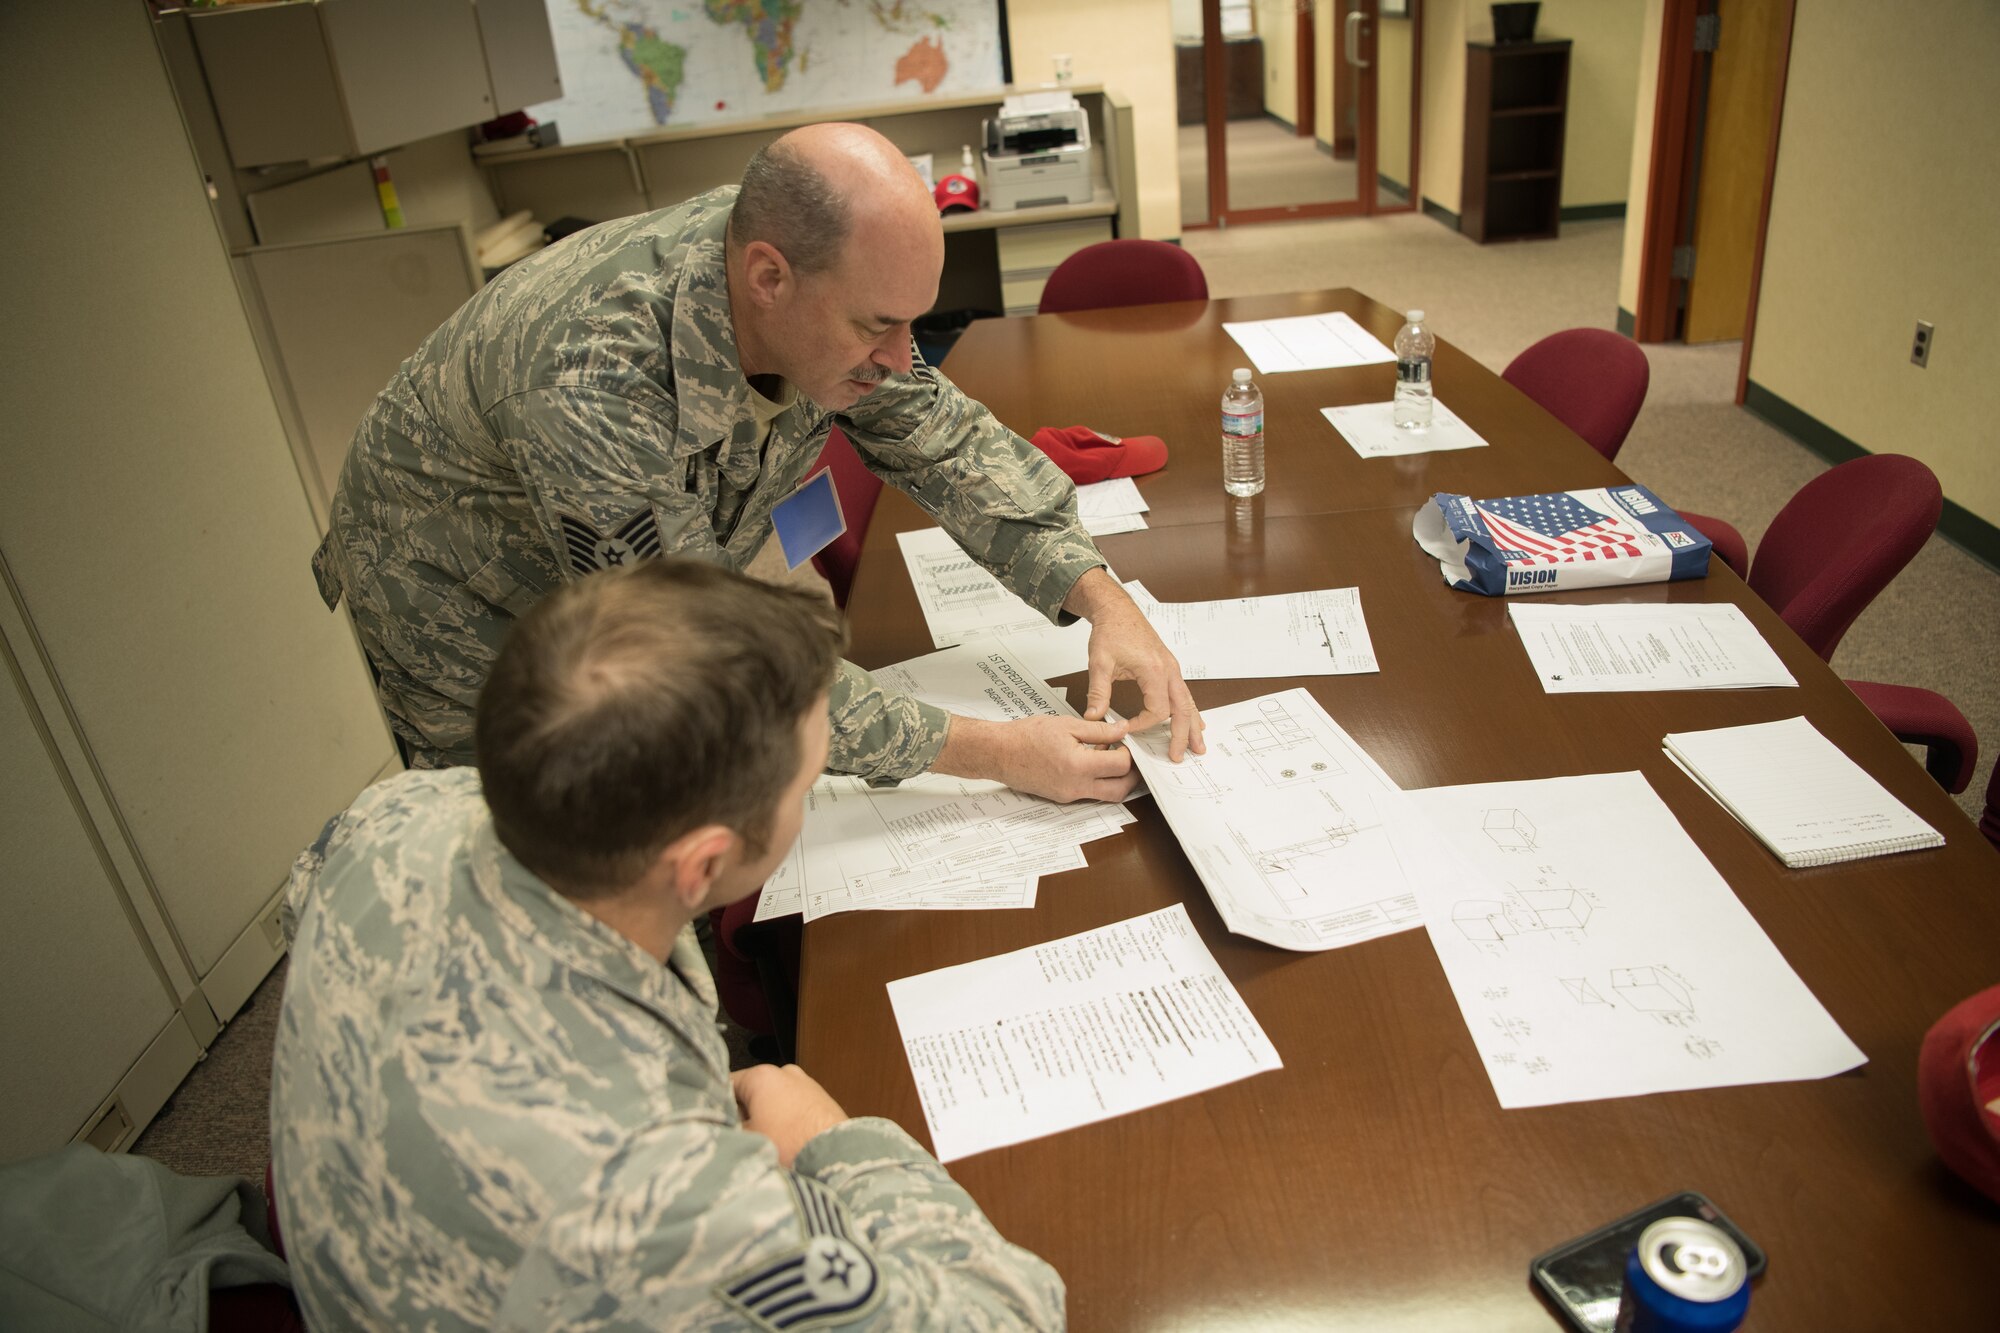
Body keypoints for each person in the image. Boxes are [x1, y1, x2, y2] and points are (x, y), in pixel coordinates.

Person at [271, 558, 1064, 1331]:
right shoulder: (659, 1198)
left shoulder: (395, 812)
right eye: (810, 780)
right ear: (704, 864)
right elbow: (1010, 1317)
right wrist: (830, 1142)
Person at [314, 121, 1203, 803]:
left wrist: (1103, 599)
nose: (900, 357)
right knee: (565, 841)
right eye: (875, 326)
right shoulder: (591, 385)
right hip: (461, 603)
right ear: (768, 277)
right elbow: (713, 657)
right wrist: (998, 754)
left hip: (629, 548)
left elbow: (944, 436)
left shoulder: (804, 276)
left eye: (911, 322)